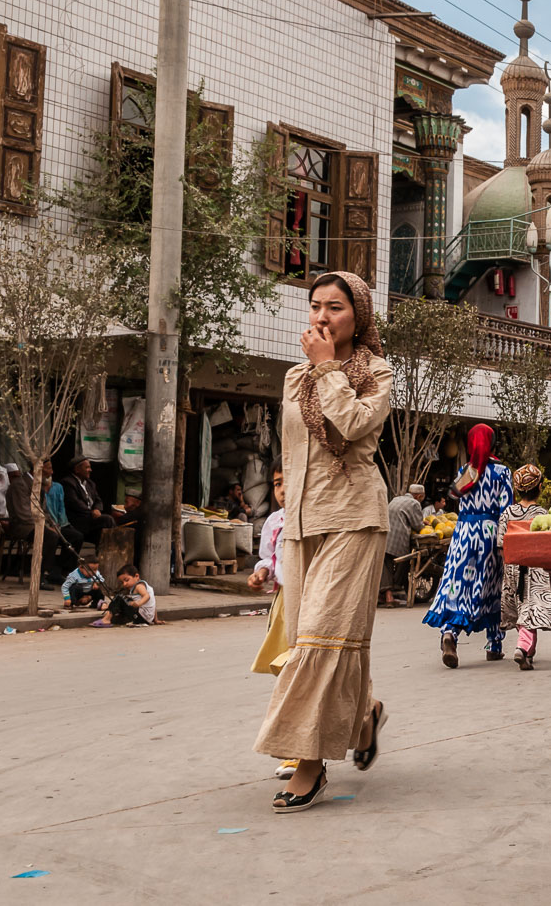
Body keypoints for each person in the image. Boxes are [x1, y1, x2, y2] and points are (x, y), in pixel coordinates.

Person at [254, 271, 393, 815]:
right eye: (315, 306)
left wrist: (328, 368)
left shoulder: (374, 372)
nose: (321, 316)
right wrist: (287, 521)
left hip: (355, 516)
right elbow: (293, 454)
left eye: (335, 307)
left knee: (319, 638)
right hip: (305, 523)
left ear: (357, 315)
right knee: (319, 636)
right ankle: (363, 717)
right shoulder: (294, 377)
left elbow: (353, 425)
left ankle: (309, 763)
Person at [422, 424, 512, 668]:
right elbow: (507, 509)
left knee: (458, 584)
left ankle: (449, 633)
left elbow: (455, 498)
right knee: (490, 585)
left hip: (463, 535)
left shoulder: (465, 471)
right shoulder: (502, 472)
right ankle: (494, 644)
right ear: (492, 444)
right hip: (490, 535)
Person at [248, 463, 295, 781]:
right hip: (283, 604)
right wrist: (261, 572)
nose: (280, 490)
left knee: (301, 674)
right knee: (287, 674)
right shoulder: (274, 521)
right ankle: (294, 750)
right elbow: (269, 557)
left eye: (286, 482)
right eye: (276, 483)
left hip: (312, 602)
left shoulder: (316, 515)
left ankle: (298, 751)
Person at [498, 465, 551, 671]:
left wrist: (508, 567)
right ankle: (523, 647)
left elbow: (501, 544)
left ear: (516, 490)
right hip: (536, 568)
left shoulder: (508, 512)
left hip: (513, 567)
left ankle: (528, 650)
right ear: (540, 487)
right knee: (531, 609)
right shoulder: (543, 514)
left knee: (521, 609)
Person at [382, 483, 425, 607]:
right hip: (398, 538)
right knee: (405, 562)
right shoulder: (414, 503)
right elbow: (417, 525)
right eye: (422, 497)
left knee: (386, 566)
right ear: (418, 496)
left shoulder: (396, 499)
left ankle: (388, 597)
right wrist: (424, 524)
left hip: (385, 535)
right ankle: (396, 588)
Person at [63, 456, 115, 547]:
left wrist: (97, 509)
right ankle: (114, 547)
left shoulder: (90, 483)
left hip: (90, 519)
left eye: (90, 467)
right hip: (78, 520)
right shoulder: (68, 483)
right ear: (77, 470)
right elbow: (75, 503)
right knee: (107, 519)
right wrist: (91, 512)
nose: (90, 470)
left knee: (101, 530)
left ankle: (103, 553)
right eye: (87, 467)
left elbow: (98, 501)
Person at [42, 461, 84, 557]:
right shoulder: (34, 487)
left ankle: (65, 567)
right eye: (48, 468)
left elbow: (61, 509)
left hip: (58, 525)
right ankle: (46, 568)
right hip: (43, 526)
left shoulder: (58, 487)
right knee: (52, 536)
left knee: (77, 537)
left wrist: (60, 526)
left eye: (51, 468)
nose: (51, 472)